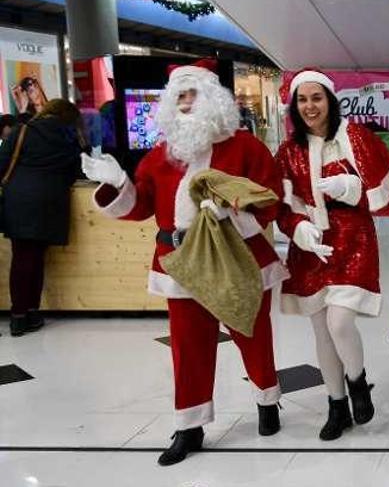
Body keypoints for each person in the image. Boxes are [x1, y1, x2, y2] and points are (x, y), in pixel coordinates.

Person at [81, 59, 288, 466]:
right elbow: (140, 206)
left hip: (236, 255)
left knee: (252, 333)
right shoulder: (160, 156)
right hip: (179, 262)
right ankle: (190, 426)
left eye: (193, 94)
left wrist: (233, 210)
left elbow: (270, 197)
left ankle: (267, 399)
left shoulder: (245, 147)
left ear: (213, 99)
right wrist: (116, 183)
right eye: (179, 96)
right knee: (188, 347)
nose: (187, 103)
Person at [275, 68, 389, 441]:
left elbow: (383, 192)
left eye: (316, 98)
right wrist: (298, 228)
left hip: (354, 241)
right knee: (321, 330)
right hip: (311, 247)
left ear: (330, 101)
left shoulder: (358, 138)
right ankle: (336, 405)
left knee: (340, 322)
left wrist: (352, 188)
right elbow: (283, 206)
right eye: (302, 99)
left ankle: (357, 381)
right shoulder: (288, 151)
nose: (310, 106)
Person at [0, 100, 85, 336]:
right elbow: (76, 172)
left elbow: (2, 164)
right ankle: (32, 312)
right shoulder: (70, 138)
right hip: (51, 203)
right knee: (36, 258)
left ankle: (18, 316)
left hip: (20, 201)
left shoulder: (23, 130)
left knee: (22, 258)